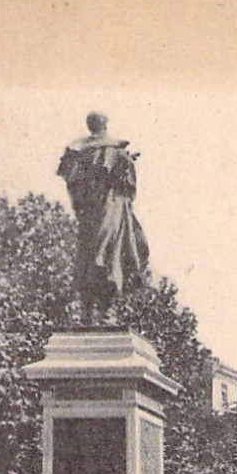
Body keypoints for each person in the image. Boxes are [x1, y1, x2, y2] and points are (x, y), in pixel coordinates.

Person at [57, 112, 149, 324]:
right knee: (100, 256)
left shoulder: (84, 151)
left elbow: (72, 181)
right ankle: (94, 312)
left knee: (102, 256)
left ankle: (97, 312)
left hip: (103, 210)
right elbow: (128, 187)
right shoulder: (110, 150)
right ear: (105, 124)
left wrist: (124, 167)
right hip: (102, 209)